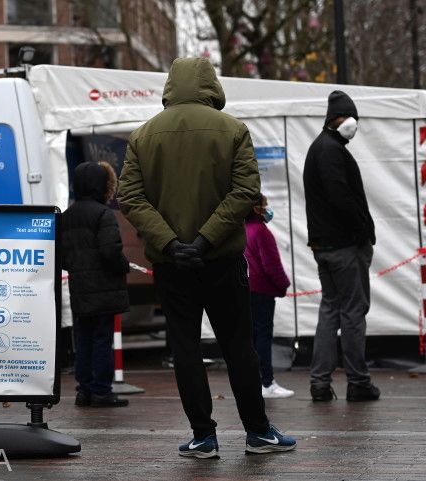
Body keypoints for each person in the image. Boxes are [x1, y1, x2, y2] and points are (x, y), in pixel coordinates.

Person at [118, 57, 295, 458]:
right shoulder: (233, 130)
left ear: (170, 85)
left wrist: (171, 243)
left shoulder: (143, 136)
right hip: (221, 260)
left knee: (184, 348)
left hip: (171, 263)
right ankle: (258, 431)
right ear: (212, 85)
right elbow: (245, 190)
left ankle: (203, 436)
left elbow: (130, 197)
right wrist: (205, 240)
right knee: (239, 346)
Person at [303, 90, 380, 402]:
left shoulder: (319, 148)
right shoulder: (332, 151)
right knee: (352, 312)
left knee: (330, 310)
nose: (353, 124)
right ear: (335, 119)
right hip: (345, 246)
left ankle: (320, 383)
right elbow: (342, 199)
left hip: (324, 246)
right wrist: (363, 231)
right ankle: (358, 381)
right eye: (349, 118)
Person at [62, 161, 130, 408]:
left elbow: (61, 257)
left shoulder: (67, 215)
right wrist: (124, 265)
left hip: (80, 288)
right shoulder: (104, 214)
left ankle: (84, 391)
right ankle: (102, 391)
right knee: (102, 339)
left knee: (84, 338)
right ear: (102, 185)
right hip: (104, 288)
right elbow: (110, 251)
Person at [245, 195, 294, 399]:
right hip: (262, 290)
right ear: (257, 209)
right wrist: (283, 285)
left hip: (245, 289)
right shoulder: (262, 232)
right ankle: (267, 382)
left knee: (250, 336)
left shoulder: (243, 230)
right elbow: (271, 265)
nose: (267, 209)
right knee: (263, 335)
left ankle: (252, 381)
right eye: (264, 206)